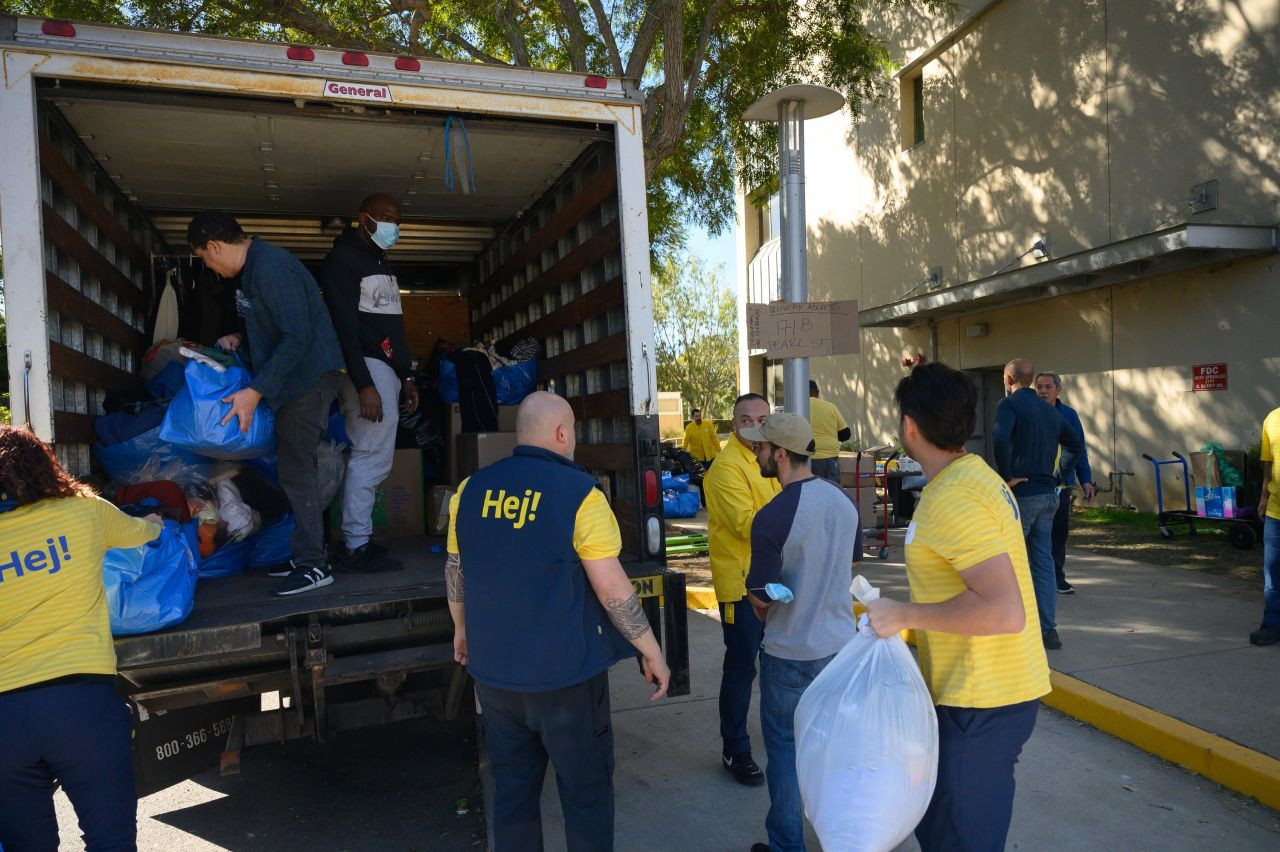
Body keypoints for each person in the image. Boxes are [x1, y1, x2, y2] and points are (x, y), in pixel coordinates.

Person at [444, 392, 670, 850]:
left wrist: (462, 630)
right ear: (563, 433)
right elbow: (611, 588)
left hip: (496, 678)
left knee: (512, 796)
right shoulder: (580, 494)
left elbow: (455, 569)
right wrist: (651, 650)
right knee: (586, 798)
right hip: (566, 681)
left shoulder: (469, 491)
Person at [865, 363, 1051, 852]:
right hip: (990, 693)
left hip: (982, 701)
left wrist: (903, 615)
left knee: (960, 838)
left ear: (909, 426)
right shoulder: (975, 476)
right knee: (948, 826)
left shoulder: (954, 496)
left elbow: (1003, 610)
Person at [0, 425, 163, 850]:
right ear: (43, 466)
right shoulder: (83, 512)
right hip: (83, 707)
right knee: (111, 840)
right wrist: (154, 522)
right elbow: (141, 534)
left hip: (4, 721)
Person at [188, 212, 346, 596]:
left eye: (206, 259)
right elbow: (276, 327)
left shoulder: (272, 268)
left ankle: (314, 565)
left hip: (308, 381)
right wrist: (241, 340)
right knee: (294, 469)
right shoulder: (254, 272)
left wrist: (255, 390)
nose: (209, 267)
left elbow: (297, 336)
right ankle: (307, 554)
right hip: (294, 384)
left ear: (214, 247)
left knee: (297, 470)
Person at [741, 413, 860, 852]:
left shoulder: (772, 517)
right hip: (839, 650)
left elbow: (761, 596)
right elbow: (851, 565)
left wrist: (763, 600)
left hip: (789, 654)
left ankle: (787, 846)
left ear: (782, 454)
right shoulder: (842, 502)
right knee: (836, 755)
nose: (757, 454)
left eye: (762, 447)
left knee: (786, 755)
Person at [320, 193, 421, 572]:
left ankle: (358, 539)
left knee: (374, 454)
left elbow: (392, 326)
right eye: (383, 217)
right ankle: (355, 546)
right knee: (368, 454)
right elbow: (344, 327)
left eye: (396, 220)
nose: (391, 226)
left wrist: (406, 374)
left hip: (386, 369)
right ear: (362, 218)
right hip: (365, 366)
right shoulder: (342, 261)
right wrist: (363, 383)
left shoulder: (380, 260)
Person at [703, 392, 781, 786]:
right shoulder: (726, 468)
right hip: (741, 584)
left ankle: (775, 733)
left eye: (762, 417)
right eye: (746, 419)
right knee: (741, 667)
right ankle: (735, 748)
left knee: (777, 664)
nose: (755, 425)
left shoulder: (770, 458)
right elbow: (748, 525)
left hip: (776, 580)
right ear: (733, 424)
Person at [993, 357, 1081, 650]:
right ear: (1031, 380)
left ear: (1008, 379)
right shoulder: (1050, 409)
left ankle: (1011, 627)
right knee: (1043, 563)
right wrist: (1059, 476)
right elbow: (1075, 444)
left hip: (1024, 494)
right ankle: (1048, 629)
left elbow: (1000, 437)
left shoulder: (1009, 405)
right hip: (1048, 496)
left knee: (1008, 561)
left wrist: (1006, 476)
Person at [1034, 371, 1097, 594]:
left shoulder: (1068, 415)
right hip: (1034, 485)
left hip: (1060, 484)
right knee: (1034, 533)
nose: (1042, 391)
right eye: (1039, 387)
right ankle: (1035, 579)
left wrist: (1086, 480)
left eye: (1048, 387)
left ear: (1058, 390)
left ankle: (1057, 577)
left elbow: (1079, 448)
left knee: (1058, 532)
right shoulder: (1030, 413)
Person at [1252, 405, 1280, 646]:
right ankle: (1271, 624)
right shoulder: (1272, 418)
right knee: (1272, 572)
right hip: (1276, 512)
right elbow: (1268, 466)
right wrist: (1263, 497)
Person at [808, 380, 851, 485]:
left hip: (804, 460)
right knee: (831, 493)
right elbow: (845, 434)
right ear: (817, 392)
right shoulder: (830, 407)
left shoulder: (797, 408)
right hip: (829, 460)